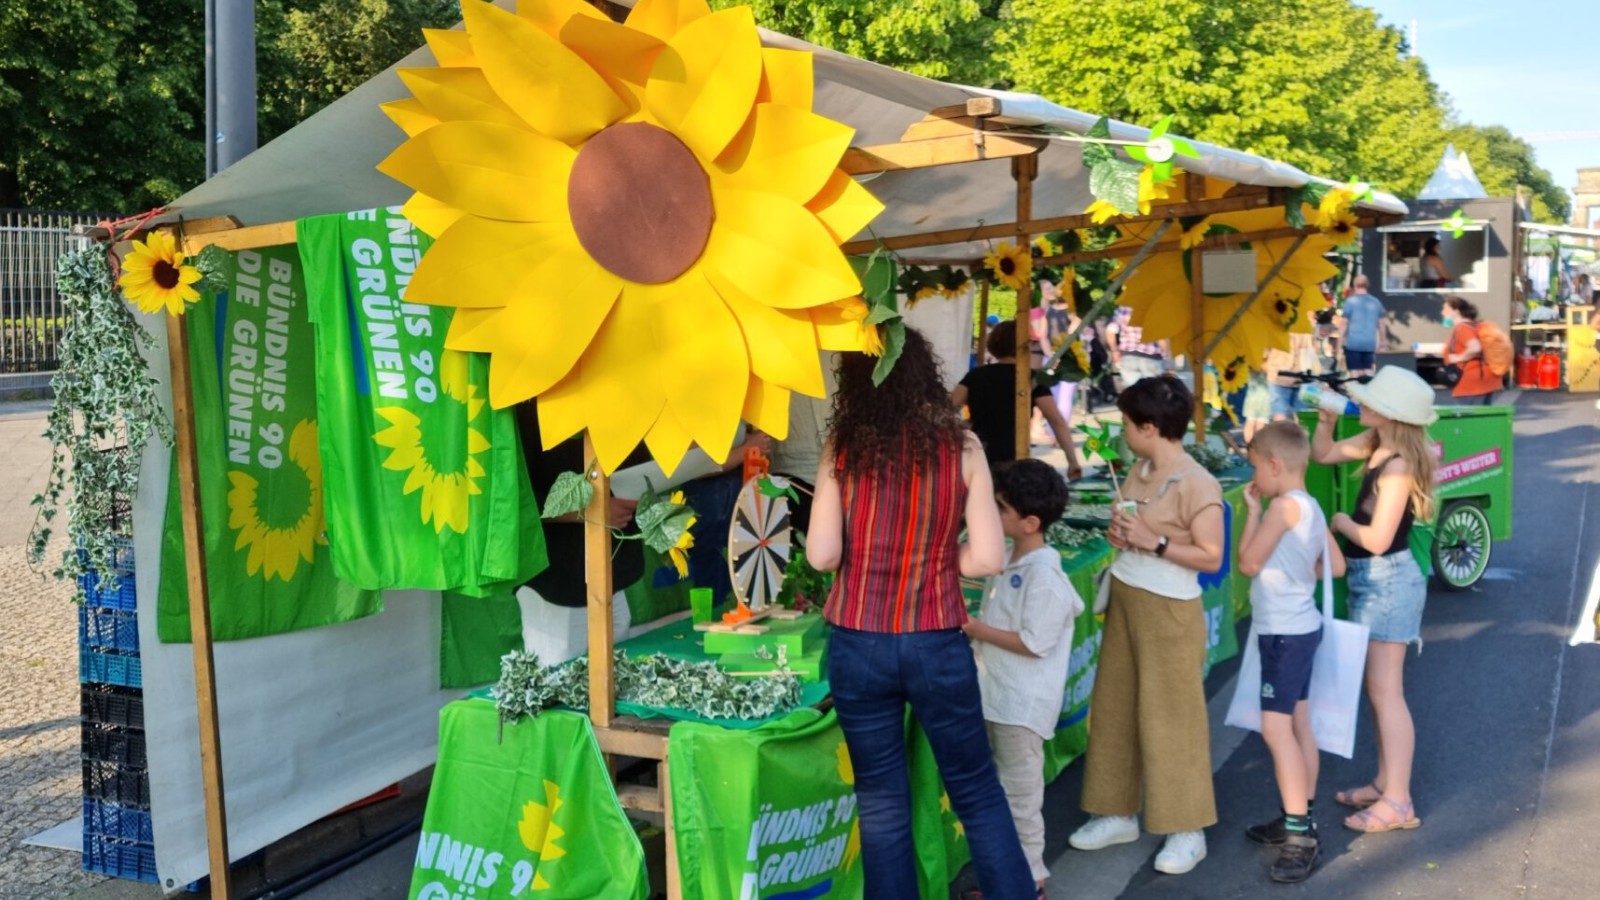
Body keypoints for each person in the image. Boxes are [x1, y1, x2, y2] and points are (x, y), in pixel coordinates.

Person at [807, 327, 1036, 899]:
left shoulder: (843, 447)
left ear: (856, 380)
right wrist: (937, 559)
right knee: (978, 791)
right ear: (923, 373)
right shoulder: (962, 445)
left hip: (859, 641)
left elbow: (822, 554)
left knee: (881, 802)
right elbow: (986, 557)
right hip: (937, 639)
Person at [1068, 375, 1225, 876]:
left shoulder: (1198, 482)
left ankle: (1187, 828)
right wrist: (1126, 533)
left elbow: (1211, 556)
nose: (1123, 432)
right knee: (1114, 707)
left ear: (1150, 427)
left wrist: (1153, 541)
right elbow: (1136, 531)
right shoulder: (1138, 469)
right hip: (1129, 596)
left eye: (1128, 424)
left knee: (1172, 718)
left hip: (1170, 608)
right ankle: (1116, 811)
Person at [1310, 365, 1436, 835]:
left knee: (1387, 694)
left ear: (1390, 414)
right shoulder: (1378, 445)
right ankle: (1386, 782)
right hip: (1376, 580)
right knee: (1378, 690)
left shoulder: (1398, 465)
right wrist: (1324, 420)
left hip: (1387, 580)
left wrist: (1340, 521)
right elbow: (1322, 454)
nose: (1360, 403)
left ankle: (1399, 801)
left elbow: (1378, 539)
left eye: (1369, 400)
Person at [963, 460, 1083, 898]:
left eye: (1000, 508)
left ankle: (1031, 881)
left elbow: (1035, 642)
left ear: (1030, 523)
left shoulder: (1045, 577)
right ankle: (1005, 881)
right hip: (998, 697)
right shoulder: (1014, 558)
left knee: (1020, 799)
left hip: (1021, 708)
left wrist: (976, 629)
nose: (991, 514)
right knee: (1001, 793)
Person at [1237, 422, 1347, 884]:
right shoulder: (1312, 505)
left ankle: (1300, 835)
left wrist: (1251, 512)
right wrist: (1301, 565)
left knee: (1275, 729)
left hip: (1282, 634)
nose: (1254, 478)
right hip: (1302, 628)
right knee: (1299, 725)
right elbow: (1335, 567)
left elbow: (1246, 563)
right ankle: (1297, 814)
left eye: (1256, 468)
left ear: (1275, 465)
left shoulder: (1281, 508)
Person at [514, 401, 640, 664]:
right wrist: (590, 512)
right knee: (559, 679)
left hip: (610, 571)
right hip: (556, 580)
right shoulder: (526, 408)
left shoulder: (613, 399)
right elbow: (511, 502)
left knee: (619, 677)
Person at [952, 319, 1085, 477]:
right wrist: (1072, 461)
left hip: (979, 451)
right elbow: (1057, 422)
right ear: (1023, 347)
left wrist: (964, 425)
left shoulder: (976, 375)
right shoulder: (1030, 378)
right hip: (1015, 453)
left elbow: (948, 407)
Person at [1442, 297, 1500, 405]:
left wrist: (1458, 358)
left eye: (1445, 309)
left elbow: (1475, 347)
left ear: (1456, 311)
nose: (1442, 313)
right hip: (1486, 380)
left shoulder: (1462, 328)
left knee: (1467, 420)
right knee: (1482, 419)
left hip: (1470, 383)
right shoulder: (1476, 326)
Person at [1106, 305, 1170, 389]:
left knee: (1133, 395)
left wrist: (1115, 351)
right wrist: (1169, 360)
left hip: (1128, 357)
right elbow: (1161, 338)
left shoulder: (1123, 309)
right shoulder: (1154, 308)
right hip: (1151, 358)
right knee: (1153, 395)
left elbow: (1110, 330)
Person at [1338, 276, 1387, 376]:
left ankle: (1356, 390)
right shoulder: (1376, 302)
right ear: (1367, 285)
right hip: (1369, 344)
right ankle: (1369, 388)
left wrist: (1339, 344)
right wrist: (1383, 342)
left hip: (1353, 344)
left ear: (1355, 286)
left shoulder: (1350, 302)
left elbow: (1344, 324)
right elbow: (1381, 324)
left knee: (1355, 372)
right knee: (1368, 370)